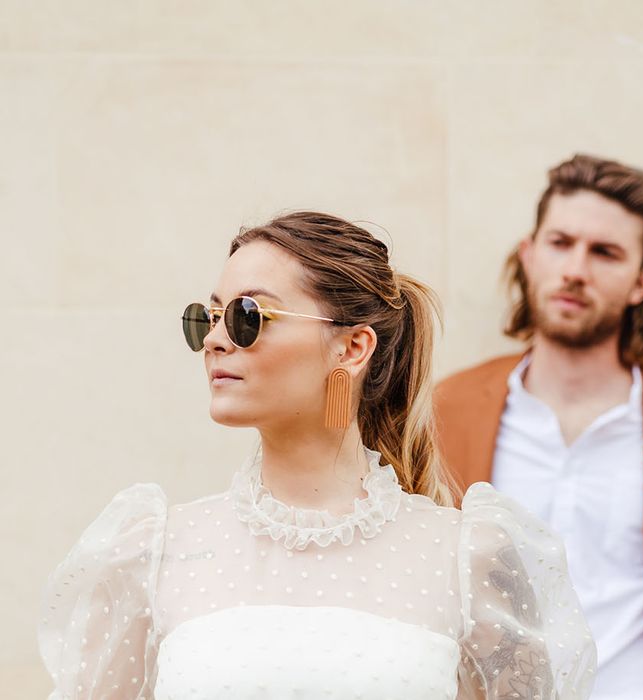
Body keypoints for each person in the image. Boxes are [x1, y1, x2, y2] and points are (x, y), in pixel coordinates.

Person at [38, 212, 596, 700]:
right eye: (207, 317)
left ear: (352, 347)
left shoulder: (466, 555)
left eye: (248, 316)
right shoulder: (152, 552)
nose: (214, 340)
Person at [434, 154, 643, 700]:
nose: (575, 269)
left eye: (604, 252)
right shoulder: (449, 406)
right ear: (529, 254)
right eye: (560, 243)